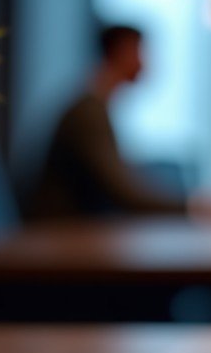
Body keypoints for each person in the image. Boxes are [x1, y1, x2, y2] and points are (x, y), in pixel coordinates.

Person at [28, 25, 186, 220]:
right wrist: (200, 207)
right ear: (121, 52)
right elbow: (126, 193)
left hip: (76, 229)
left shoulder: (95, 105)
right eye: (140, 52)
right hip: (62, 233)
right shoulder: (88, 113)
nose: (145, 64)